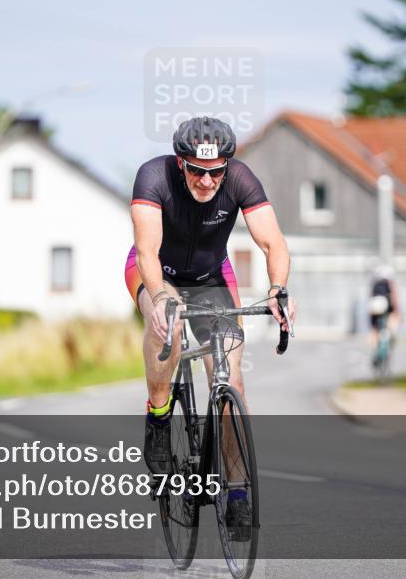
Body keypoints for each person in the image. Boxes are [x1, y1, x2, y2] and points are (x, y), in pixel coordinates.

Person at [125, 116, 296, 537]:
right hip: (156, 272)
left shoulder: (240, 179)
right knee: (168, 324)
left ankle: (236, 493)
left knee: (231, 381)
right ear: (180, 163)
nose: (206, 181)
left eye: (216, 172)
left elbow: (273, 242)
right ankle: (159, 416)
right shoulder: (153, 176)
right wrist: (160, 297)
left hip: (211, 279)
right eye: (197, 171)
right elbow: (146, 251)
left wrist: (277, 289)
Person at [367, 264, 400, 355]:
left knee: (375, 327)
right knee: (390, 324)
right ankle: (386, 341)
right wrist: (397, 311)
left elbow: (370, 296)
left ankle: (374, 343)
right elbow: (394, 297)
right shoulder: (389, 283)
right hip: (385, 305)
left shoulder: (375, 283)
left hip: (374, 304)